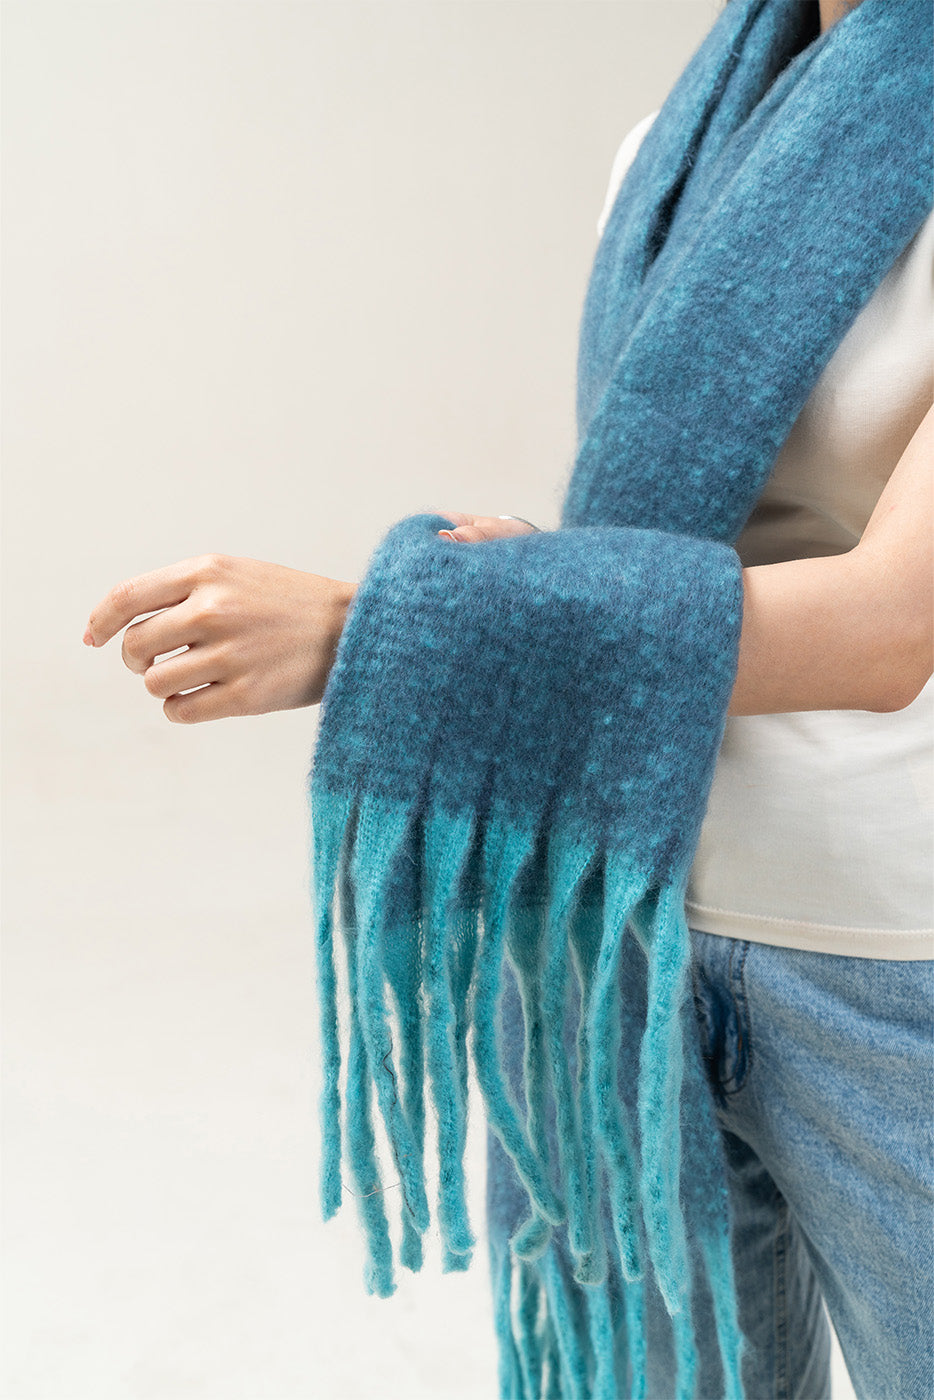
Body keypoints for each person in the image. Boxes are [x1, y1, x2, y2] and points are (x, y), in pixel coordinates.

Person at [84, 0, 932, 1394]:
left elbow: (892, 624)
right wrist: (539, 585)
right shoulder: (673, 149)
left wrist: (376, 629)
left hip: (893, 961)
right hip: (623, 930)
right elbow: (669, 548)